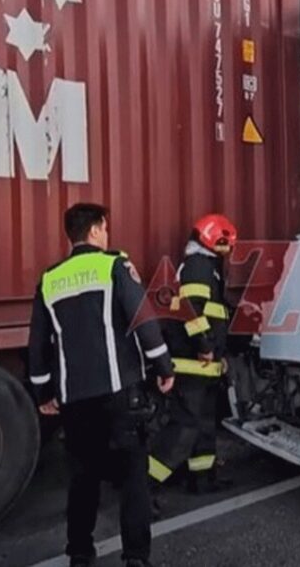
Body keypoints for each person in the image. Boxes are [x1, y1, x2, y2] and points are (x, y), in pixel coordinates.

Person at [28, 203, 174, 567]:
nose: (107, 234)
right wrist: (163, 366)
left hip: (75, 399)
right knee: (132, 479)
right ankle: (136, 558)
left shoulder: (49, 279)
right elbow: (144, 322)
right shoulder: (113, 267)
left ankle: (80, 553)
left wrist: (43, 393)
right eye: (104, 228)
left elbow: (38, 344)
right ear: (95, 230)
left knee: (82, 478)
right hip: (121, 394)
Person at [148, 214, 238, 497]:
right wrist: (206, 346)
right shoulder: (199, 267)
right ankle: (144, 490)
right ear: (217, 240)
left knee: (202, 428)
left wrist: (218, 354)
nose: (229, 249)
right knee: (183, 432)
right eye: (227, 243)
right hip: (192, 366)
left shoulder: (206, 267)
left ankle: (202, 479)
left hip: (204, 368)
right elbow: (191, 310)